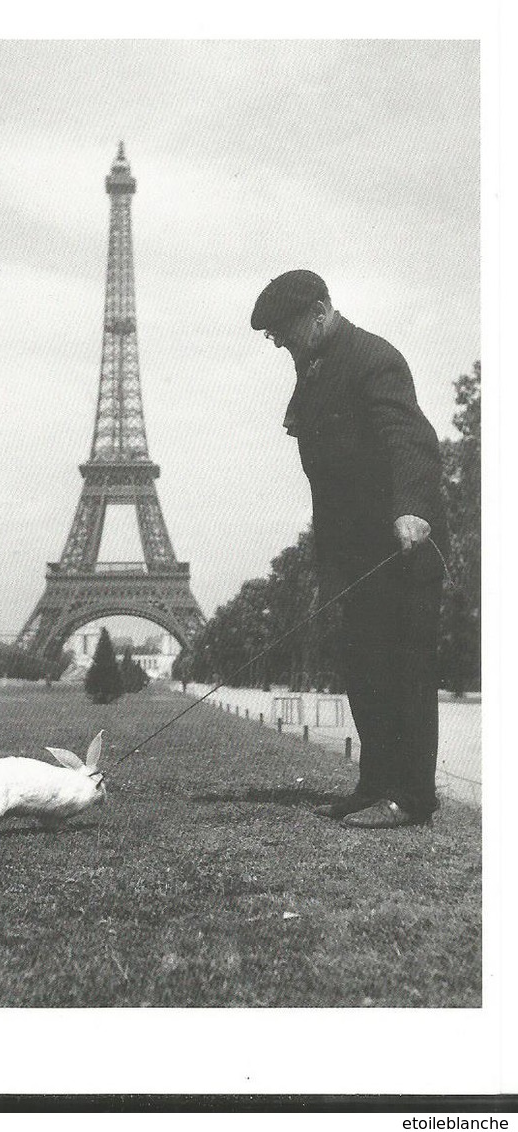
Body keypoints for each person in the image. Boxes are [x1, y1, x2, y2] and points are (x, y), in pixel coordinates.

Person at [250, 270, 448, 829]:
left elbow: (409, 439)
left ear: (319, 311)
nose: (279, 343)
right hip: (355, 554)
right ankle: (375, 784)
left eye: (283, 330)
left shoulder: (373, 359)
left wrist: (412, 508)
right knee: (364, 672)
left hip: (401, 547)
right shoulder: (313, 369)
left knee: (406, 672)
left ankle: (411, 800)